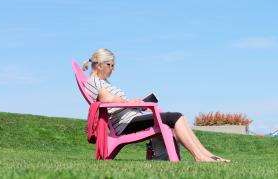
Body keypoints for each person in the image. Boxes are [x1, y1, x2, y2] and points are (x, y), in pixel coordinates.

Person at [82, 48, 230, 162]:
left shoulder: (104, 82)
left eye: (113, 66)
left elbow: (115, 102)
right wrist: (131, 102)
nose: (112, 69)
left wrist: (138, 104)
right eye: (110, 65)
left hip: (131, 118)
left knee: (176, 118)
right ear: (99, 64)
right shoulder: (93, 82)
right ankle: (199, 156)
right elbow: (106, 98)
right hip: (125, 124)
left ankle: (207, 155)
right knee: (175, 117)